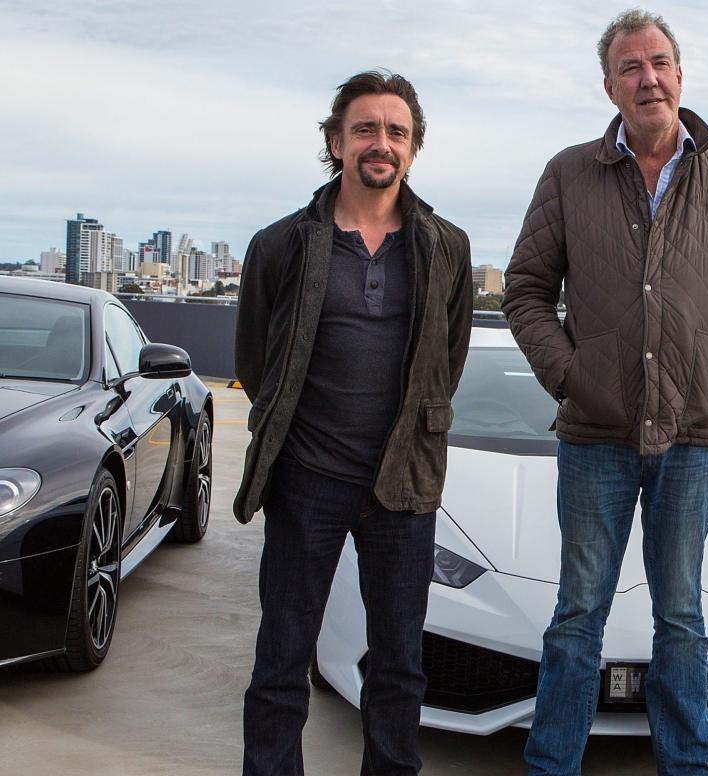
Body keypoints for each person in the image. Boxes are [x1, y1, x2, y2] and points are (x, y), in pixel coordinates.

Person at [502, 9, 708, 775]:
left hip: (692, 437)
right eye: (630, 67)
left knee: (683, 618)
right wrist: (571, 375)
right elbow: (526, 291)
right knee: (577, 616)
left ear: (681, 75)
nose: (648, 78)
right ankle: (552, 764)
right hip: (594, 436)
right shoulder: (569, 171)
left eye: (659, 62)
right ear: (609, 86)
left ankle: (686, 765)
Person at [233, 70, 473, 776]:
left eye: (396, 131)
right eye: (364, 129)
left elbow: (446, 361)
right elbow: (255, 359)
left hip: (403, 487)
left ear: (413, 147)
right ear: (336, 141)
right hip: (307, 482)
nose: (381, 143)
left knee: (398, 665)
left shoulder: (445, 247)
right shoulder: (281, 245)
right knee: (281, 659)